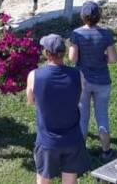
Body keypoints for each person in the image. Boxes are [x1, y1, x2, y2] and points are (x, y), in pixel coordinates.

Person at [26, 34, 92, 184]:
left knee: (43, 179)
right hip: (73, 139)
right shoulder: (77, 75)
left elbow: (31, 101)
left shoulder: (34, 76)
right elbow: (78, 96)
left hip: (47, 140)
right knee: (70, 181)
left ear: (47, 53)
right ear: (63, 52)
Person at [68, 1, 117, 160]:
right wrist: (101, 57)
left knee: (83, 118)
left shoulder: (76, 34)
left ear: (83, 17)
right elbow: (113, 59)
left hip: (82, 81)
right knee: (102, 116)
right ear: (99, 16)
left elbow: (72, 58)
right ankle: (106, 152)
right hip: (102, 81)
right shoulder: (106, 34)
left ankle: (81, 155)